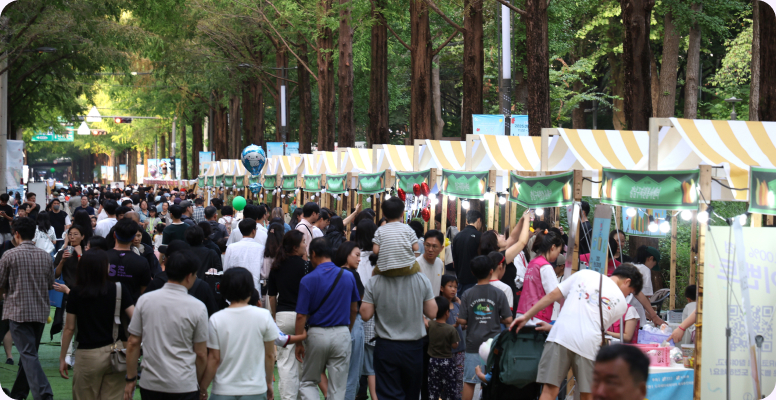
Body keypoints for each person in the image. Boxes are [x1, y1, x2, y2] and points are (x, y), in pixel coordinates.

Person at [510, 265, 643, 400]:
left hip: (559, 336)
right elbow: (597, 326)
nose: (627, 295)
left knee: (549, 391)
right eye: (630, 292)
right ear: (627, 281)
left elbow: (551, 296)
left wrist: (526, 316)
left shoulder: (584, 274)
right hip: (588, 344)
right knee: (588, 395)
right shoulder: (621, 305)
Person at [360, 210, 436, 400]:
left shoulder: (375, 281)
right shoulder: (421, 279)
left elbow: (365, 314)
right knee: (411, 394)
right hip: (414, 347)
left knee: (388, 394)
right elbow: (432, 312)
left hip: (386, 346)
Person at [124, 251, 208, 400]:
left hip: (151, 382)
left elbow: (133, 342)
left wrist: (131, 378)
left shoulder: (145, 300)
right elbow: (201, 354)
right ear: (189, 276)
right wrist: (201, 385)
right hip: (184, 383)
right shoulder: (198, 307)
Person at [57, 249, 135, 400]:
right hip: (115, 351)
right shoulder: (118, 289)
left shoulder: (76, 292)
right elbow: (136, 319)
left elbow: (69, 328)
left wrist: (62, 358)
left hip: (87, 355)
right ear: (105, 267)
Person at [198, 267, 279, 400]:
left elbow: (214, 358)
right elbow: (270, 355)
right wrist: (269, 383)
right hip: (255, 389)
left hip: (223, 390)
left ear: (223, 290)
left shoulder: (216, 319)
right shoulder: (263, 316)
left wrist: (203, 388)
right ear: (250, 290)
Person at [295, 237, 360, 400]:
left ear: (314, 254)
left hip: (317, 334)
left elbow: (301, 315)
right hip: (342, 333)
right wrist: (348, 329)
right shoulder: (348, 276)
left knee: (309, 381)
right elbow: (354, 309)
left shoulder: (308, 279)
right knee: (338, 387)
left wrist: (298, 342)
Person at [0, 217, 55, 400]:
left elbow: (1, 284)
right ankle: (19, 393)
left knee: (28, 354)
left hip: (18, 311)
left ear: (16, 234)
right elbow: (49, 284)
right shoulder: (45, 256)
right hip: (40, 311)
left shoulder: (9, 255)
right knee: (29, 354)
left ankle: (44, 393)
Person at [458, 256, 512, 400]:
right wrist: (495, 316)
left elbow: (462, 320)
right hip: (493, 345)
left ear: (472, 273)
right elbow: (508, 319)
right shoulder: (499, 293)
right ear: (491, 271)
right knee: (492, 381)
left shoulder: (467, 294)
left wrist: (470, 319)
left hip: (473, 344)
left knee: (469, 381)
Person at [267, 230, 309, 400]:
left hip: (283, 315)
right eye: (303, 242)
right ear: (295, 246)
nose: (305, 245)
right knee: (303, 360)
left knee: (285, 363)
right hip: (304, 317)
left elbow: (271, 295)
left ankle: (287, 397)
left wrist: (275, 315)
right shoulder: (307, 266)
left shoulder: (276, 265)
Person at [144, 240, 219, 317]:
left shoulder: (156, 284)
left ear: (169, 259)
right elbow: (212, 316)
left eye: (165, 256)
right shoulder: (202, 287)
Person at [332, 242, 365, 400]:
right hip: (353, 324)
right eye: (356, 255)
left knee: (338, 373)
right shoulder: (352, 275)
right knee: (352, 374)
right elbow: (360, 305)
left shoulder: (334, 273)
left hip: (335, 326)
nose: (359, 259)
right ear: (346, 255)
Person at [515, 230, 565, 324]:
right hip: (536, 318)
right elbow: (554, 294)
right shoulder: (545, 267)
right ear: (553, 247)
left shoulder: (532, 263)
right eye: (558, 252)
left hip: (522, 313)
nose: (558, 255)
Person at [106, 219, 152, 304]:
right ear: (133, 238)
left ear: (114, 235)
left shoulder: (102, 257)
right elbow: (144, 290)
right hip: (132, 308)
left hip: (105, 307)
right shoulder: (142, 262)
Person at [371, 197, 418, 273]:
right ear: (402, 213)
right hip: (407, 267)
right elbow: (416, 248)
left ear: (384, 214)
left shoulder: (380, 230)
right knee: (420, 272)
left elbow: (375, 251)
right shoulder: (408, 229)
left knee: (373, 274)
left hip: (386, 269)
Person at [427, 296, 460, 400]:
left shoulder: (430, 324)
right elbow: (455, 345)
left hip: (433, 361)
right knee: (450, 388)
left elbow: (424, 320)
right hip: (447, 362)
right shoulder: (450, 329)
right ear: (447, 313)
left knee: (433, 388)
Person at [440, 275, 465, 397]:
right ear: (441, 288)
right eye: (450, 286)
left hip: (460, 350)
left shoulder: (457, 306)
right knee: (446, 379)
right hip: (446, 351)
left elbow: (463, 326)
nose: (453, 289)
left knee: (459, 378)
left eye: (455, 287)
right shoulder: (439, 307)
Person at [223, 218, 266, 290]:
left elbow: (226, 269)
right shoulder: (261, 248)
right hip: (254, 287)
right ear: (253, 231)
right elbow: (263, 273)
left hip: (235, 286)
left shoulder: (231, 247)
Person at [629, 246, 665, 327]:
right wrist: (654, 316)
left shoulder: (627, 266)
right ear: (650, 258)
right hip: (636, 316)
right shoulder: (644, 269)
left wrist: (648, 315)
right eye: (653, 264)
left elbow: (631, 299)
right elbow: (644, 296)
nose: (652, 267)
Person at [452, 210, 485, 296]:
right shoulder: (480, 236)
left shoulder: (457, 236)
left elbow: (455, 259)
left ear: (467, 221)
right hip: (474, 280)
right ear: (479, 220)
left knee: (462, 306)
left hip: (460, 280)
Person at [418, 230, 445, 294]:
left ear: (441, 248)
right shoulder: (417, 265)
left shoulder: (440, 263)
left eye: (434, 246)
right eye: (427, 245)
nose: (430, 250)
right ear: (423, 244)